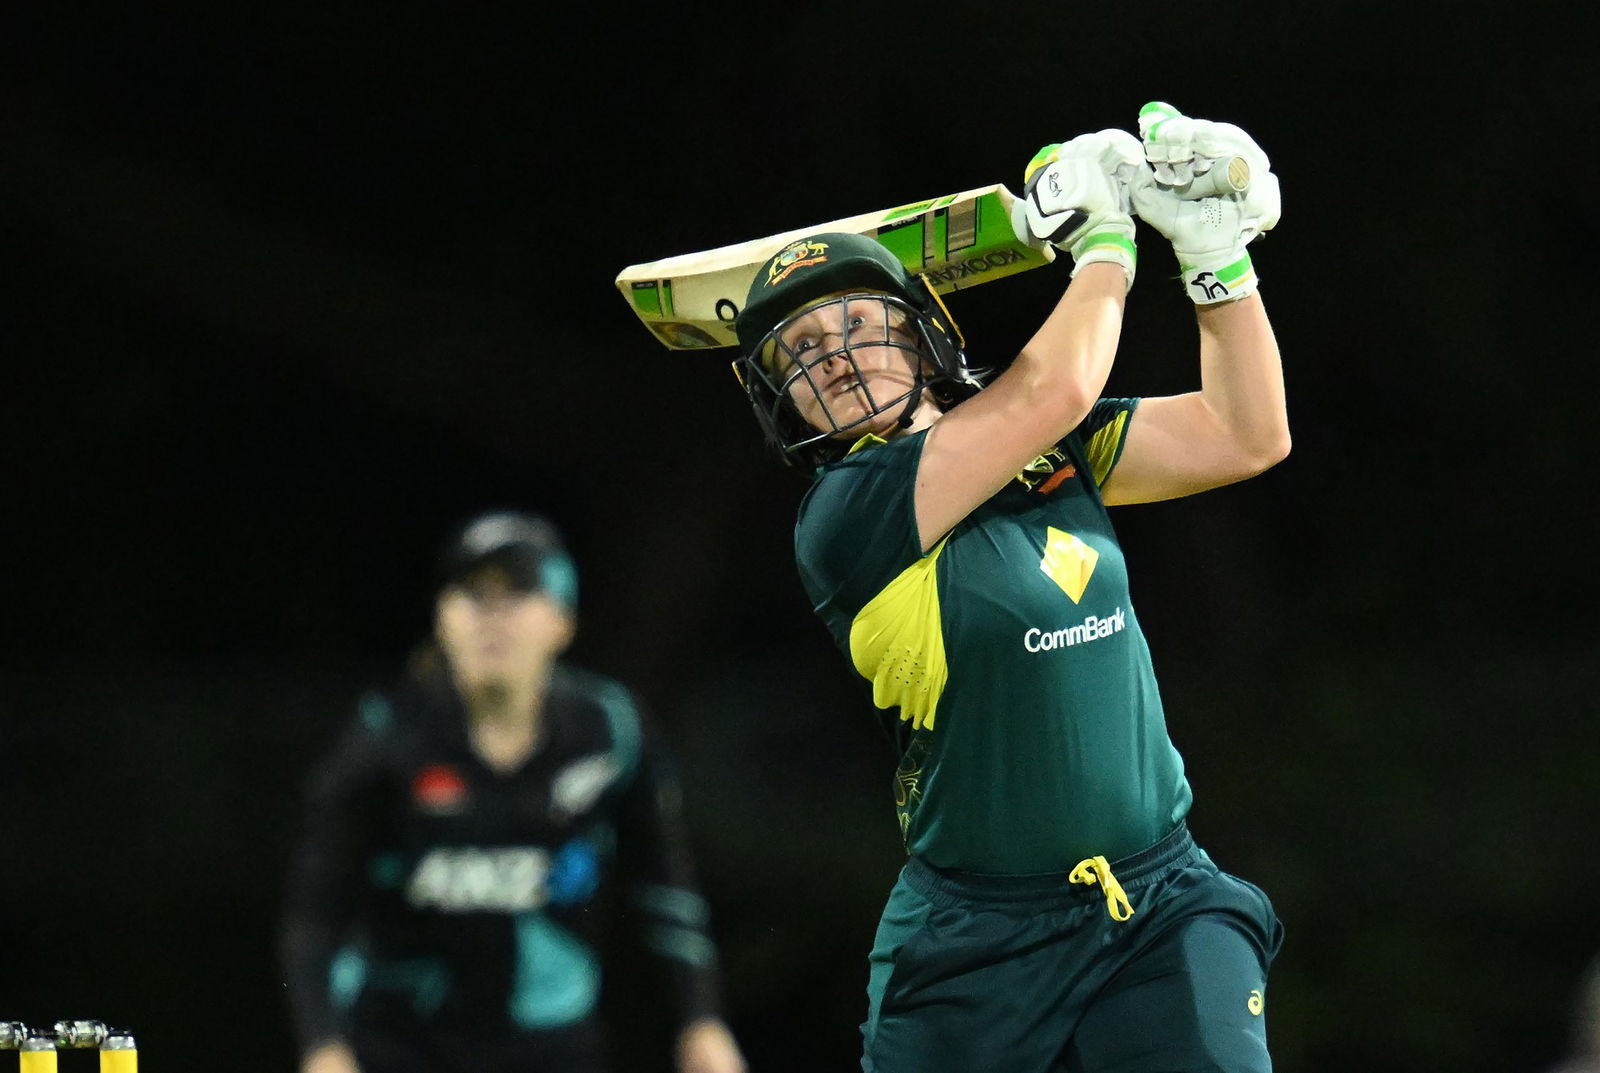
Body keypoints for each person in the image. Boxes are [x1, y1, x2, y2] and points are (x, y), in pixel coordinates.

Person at [725, 102, 1289, 1072]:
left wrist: (1212, 258)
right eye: (804, 352)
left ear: (922, 337)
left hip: (1159, 899)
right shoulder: (846, 513)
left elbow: (1245, 433)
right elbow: (1052, 388)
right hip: (972, 941)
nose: (837, 356)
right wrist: (1105, 240)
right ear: (784, 399)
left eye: (860, 325)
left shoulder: (1048, 452)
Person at [277, 509, 748, 1073]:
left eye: (517, 595)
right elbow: (315, 914)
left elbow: (663, 879)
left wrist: (702, 1022)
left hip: (551, 1047)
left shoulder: (610, 730)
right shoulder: (386, 737)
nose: (490, 619)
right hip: (399, 1046)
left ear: (563, 620)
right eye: (471, 596)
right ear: (442, 619)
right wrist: (323, 1048)